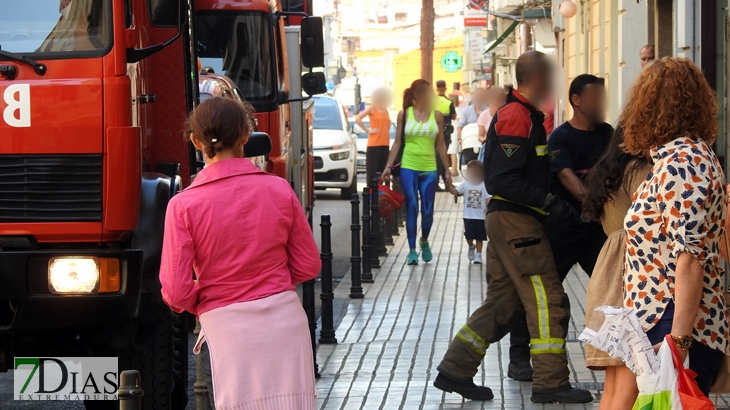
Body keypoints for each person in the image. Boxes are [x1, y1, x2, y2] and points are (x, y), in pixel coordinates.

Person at [434, 51, 593, 404]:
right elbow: (504, 179)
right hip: (517, 223)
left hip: (511, 222)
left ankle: (455, 371)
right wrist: (551, 204)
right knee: (548, 299)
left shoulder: (526, 115)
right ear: (537, 78)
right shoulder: (517, 116)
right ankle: (550, 382)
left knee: (503, 303)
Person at [159, 97, 321, 410]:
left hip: (226, 332)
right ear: (246, 135)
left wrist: (210, 298)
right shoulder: (278, 189)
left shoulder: (183, 205)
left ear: (196, 141)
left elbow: (177, 293)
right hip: (285, 325)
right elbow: (308, 265)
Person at [622, 57, 728, 397]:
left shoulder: (684, 162)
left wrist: (678, 342)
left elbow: (690, 258)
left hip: (676, 325)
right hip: (664, 321)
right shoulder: (679, 158)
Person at [507, 74, 613, 382]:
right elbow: (567, 178)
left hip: (596, 230)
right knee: (540, 293)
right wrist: (590, 206)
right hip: (563, 227)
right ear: (577, 101)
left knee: (616, 288)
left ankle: (624, 351)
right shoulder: (560, 138)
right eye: (594, 98)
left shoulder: (608, 134)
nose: (600, 104)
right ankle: (519, 357)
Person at [581, 127, 650, 410]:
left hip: (607, 274)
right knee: (627, 385)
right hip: (631, 273)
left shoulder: (612, 171)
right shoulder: (640, 170)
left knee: (612, 387)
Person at [381, 79, 452, 265]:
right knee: (412, 207)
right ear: (416, 96)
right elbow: (397, 142)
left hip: (429, 167)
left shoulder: (437, 115)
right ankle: (412, 250)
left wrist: (448, 170)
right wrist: (388, 167)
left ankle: (424, 241)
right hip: (409, 166)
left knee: (427, 210)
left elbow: (441, 144)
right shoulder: (404, 114)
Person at [445, 160, 491, 264]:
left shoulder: (484, 186)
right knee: (468, 235)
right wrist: (449, 186)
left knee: (480, 237)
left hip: (481, 217)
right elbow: (455, 192)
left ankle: (478, 255)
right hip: (468, 216)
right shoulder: (465, 185)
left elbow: (489, 198)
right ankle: (471, 246)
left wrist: (489, 207)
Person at [355, 88, 392, 184]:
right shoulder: (372, 108)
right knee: (372, 173)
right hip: (374, 144)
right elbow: (358, 118)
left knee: (383, 172)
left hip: (385, 144)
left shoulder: (385, 110)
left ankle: (382, 194)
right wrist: (368, 130)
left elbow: (387, 124)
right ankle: (372, 195)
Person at [453, 88, 488, 166]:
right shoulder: (467, 111)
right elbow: (460, 125)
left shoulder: (487, 110)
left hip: (483, 141)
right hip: (469, 141)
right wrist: (460, 137)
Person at [435, 80, 457, 189]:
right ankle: (446, 181)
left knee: (435, 157)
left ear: (436, 89)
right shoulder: (449, 102)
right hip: (445, 133)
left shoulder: (432, 102)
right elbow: (453, 116)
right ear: (445, 88)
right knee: (443, 157)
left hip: (434, 133)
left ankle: (435, 183)